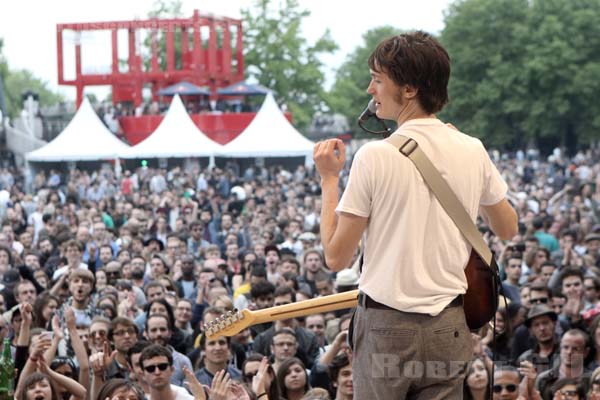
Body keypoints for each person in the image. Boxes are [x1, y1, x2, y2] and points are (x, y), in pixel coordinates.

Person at [313, 31, 518, 399]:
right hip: (450, 326)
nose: (369, 89)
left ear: (409, 89)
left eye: (377, 79)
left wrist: (329, 180)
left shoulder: (376, 156)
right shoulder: (471, 147)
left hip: (386, 326)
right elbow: (507, 227)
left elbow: (335, 256)